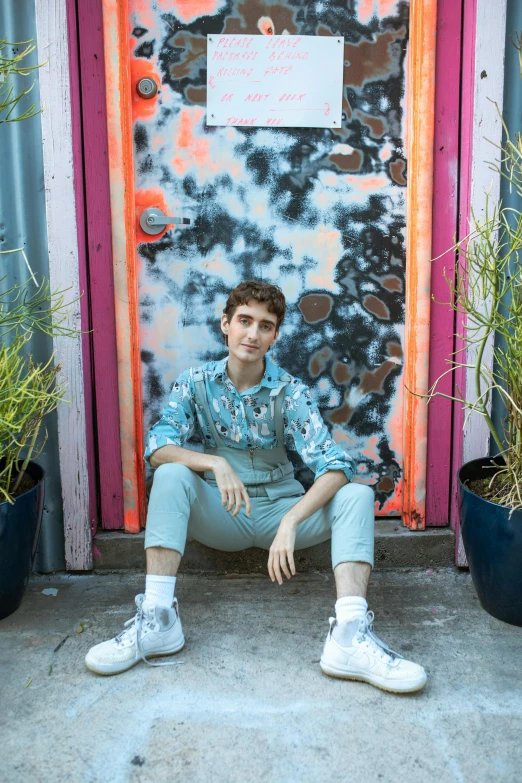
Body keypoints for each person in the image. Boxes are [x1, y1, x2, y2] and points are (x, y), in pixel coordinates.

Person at [85, 280, 427, 693]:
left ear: (275, 335)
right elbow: (158, 445)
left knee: (354, 492)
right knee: (172, 474)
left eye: (264, 326)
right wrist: (212, 461)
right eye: (244, 321)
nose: (252, 333)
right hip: (221, 512)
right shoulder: (196, 383)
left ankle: (349, 637)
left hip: (281, 513)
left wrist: (292, 521)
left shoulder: (290, 390)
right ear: (225, 325)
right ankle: (158, 620)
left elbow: (335, 466)